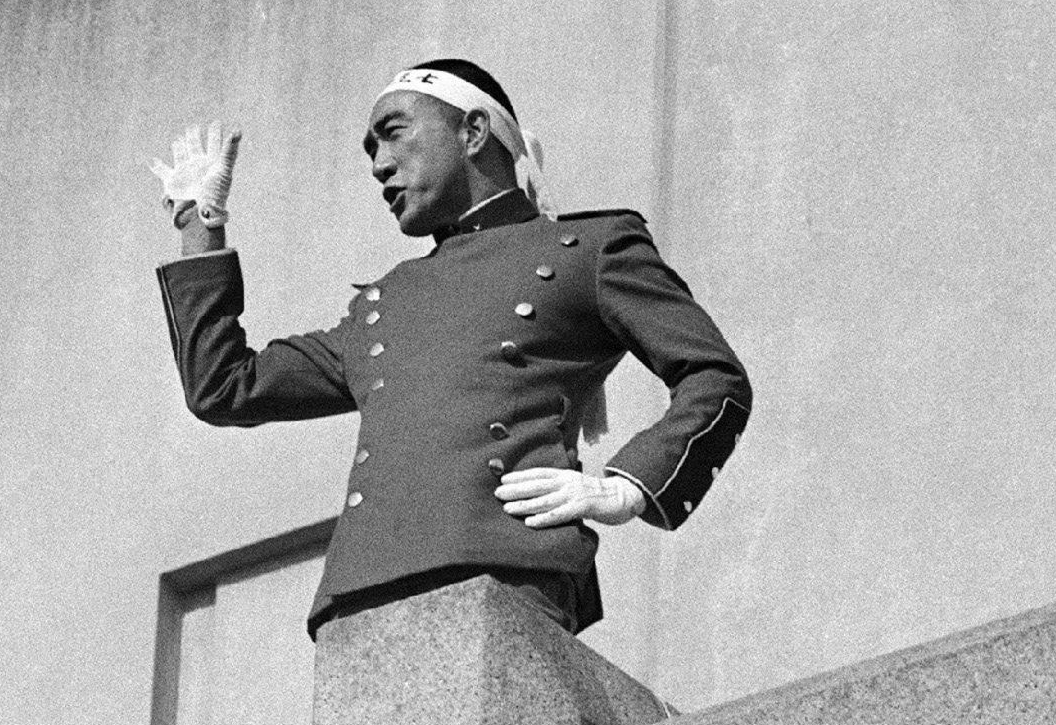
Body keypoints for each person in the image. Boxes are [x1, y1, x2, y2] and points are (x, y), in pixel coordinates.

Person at [152, 58, 751, 637]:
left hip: (508, 568)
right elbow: (224, 386)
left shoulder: (589, 249)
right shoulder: (384, 304)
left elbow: (713, 376)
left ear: (473, 131)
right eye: (370, 150)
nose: (380, 165)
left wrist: (628, 486)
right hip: (361, 595)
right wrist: (199, 227)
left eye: (393, 134)